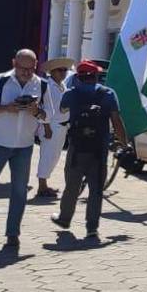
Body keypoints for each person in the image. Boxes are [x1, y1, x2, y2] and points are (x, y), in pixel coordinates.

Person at [0, 49, 55, 253]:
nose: (26, 73)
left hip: (24, 146)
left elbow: (49, 115)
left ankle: (12, 235)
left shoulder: (41, 84)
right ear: (14, 63)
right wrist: (7, 108)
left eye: (30, 69)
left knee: (19, 192)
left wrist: (36, 111)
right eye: (22, 68)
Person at [50, 61, 124, 241]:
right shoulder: (108, 94)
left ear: (78, 76)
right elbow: (116, 121)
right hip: (99, 150)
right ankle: (92, 228)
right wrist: (124, 143)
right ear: (96, 76)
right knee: (96, 190)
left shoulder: (70, 94)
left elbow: (62, 110)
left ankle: (64, 219)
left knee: (71, 186)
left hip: (77, 149)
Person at [34, 57, 73, 200]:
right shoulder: (48, 86)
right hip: (51, 125)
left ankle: (44, 184)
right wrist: (47, 127)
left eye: (65, 70)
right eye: (60, 70)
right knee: (47, 156)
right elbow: (42, 108)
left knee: (54, 156)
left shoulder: (61, 85)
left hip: (61, 125)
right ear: (52, 72)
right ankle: (41, 186)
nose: (63, 72)